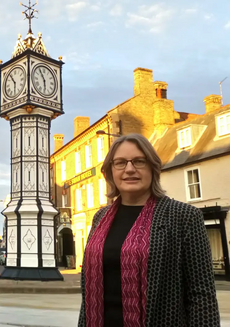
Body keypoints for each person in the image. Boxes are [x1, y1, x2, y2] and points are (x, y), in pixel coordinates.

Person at [78, 133, 219, 327]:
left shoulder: (184, 216)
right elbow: (88, 296)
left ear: (153, 168)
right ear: (110, 172)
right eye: (120, 162)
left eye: (139, 161)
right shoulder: (100, 218)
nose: (129, 169)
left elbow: (201, 294)